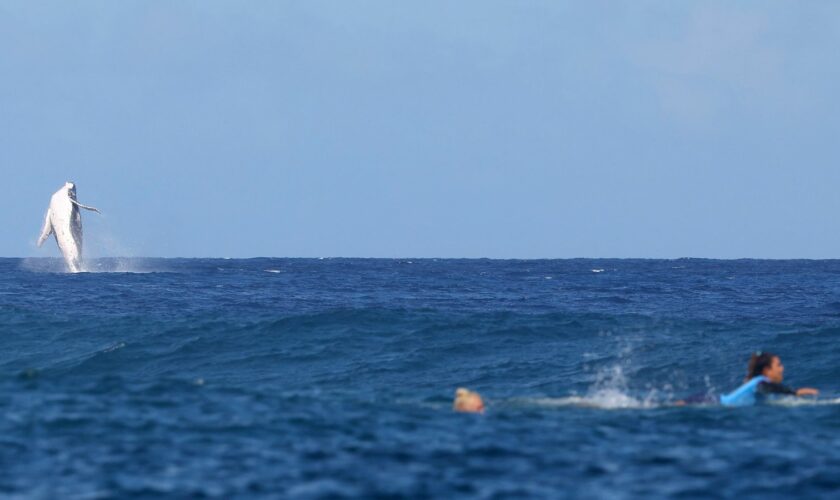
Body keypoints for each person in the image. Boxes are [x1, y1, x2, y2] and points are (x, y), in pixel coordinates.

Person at [719, 351, 818, 406]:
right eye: (778, 365)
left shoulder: (757, 381)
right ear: (767, 370)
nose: (782, 368)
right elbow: (765, 387)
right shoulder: (761, 381)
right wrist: (794, 392)